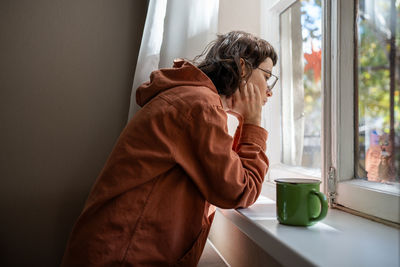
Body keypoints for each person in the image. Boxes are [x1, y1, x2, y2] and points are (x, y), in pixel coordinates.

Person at [61, 31, 278, 266]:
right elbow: (239, 189)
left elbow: (227, 173)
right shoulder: (199, 107)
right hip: (122, 257)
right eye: (267, 77)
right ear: (243, 68)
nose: (269, 91)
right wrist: (254, 123)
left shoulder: (191, 99)